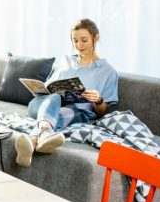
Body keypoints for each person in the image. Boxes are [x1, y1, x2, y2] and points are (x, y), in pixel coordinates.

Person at [15, 18, 119, 167]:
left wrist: (98, 100)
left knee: (58, 116)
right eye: (75, 41)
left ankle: (32, 142)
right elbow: (48, 86)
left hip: (75, 112)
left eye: (84, 40)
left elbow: (100, 113)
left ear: (96, 38)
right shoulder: (65, 60)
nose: (79, 45)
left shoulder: (107, 71)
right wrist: (42, 89)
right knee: (56, 97)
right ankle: (45, 134)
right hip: (42, 104)